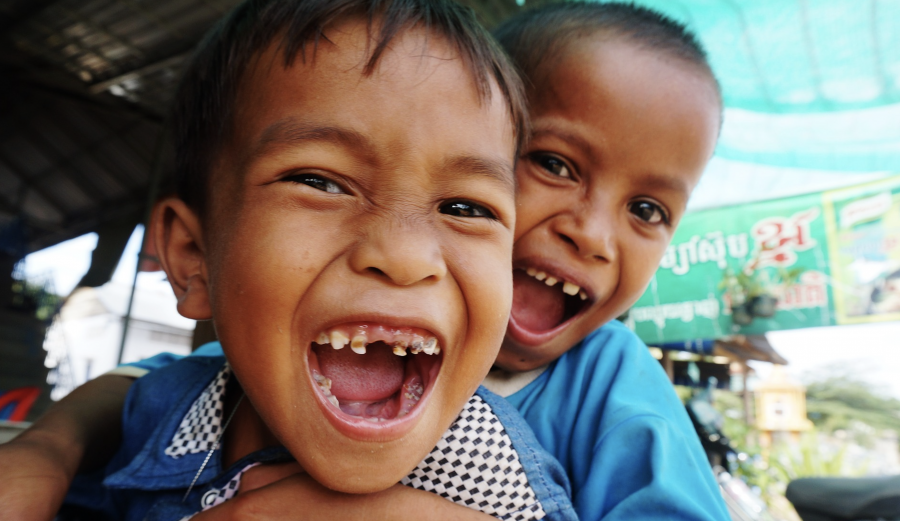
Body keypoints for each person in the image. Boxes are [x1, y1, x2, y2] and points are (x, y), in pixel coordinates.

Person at [0, 2, 729, 520]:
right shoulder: (236, 378)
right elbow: (156, 386)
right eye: (554, 164)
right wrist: (49, 448)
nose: (592, 235)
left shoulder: (597, 390)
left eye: (648, 210)